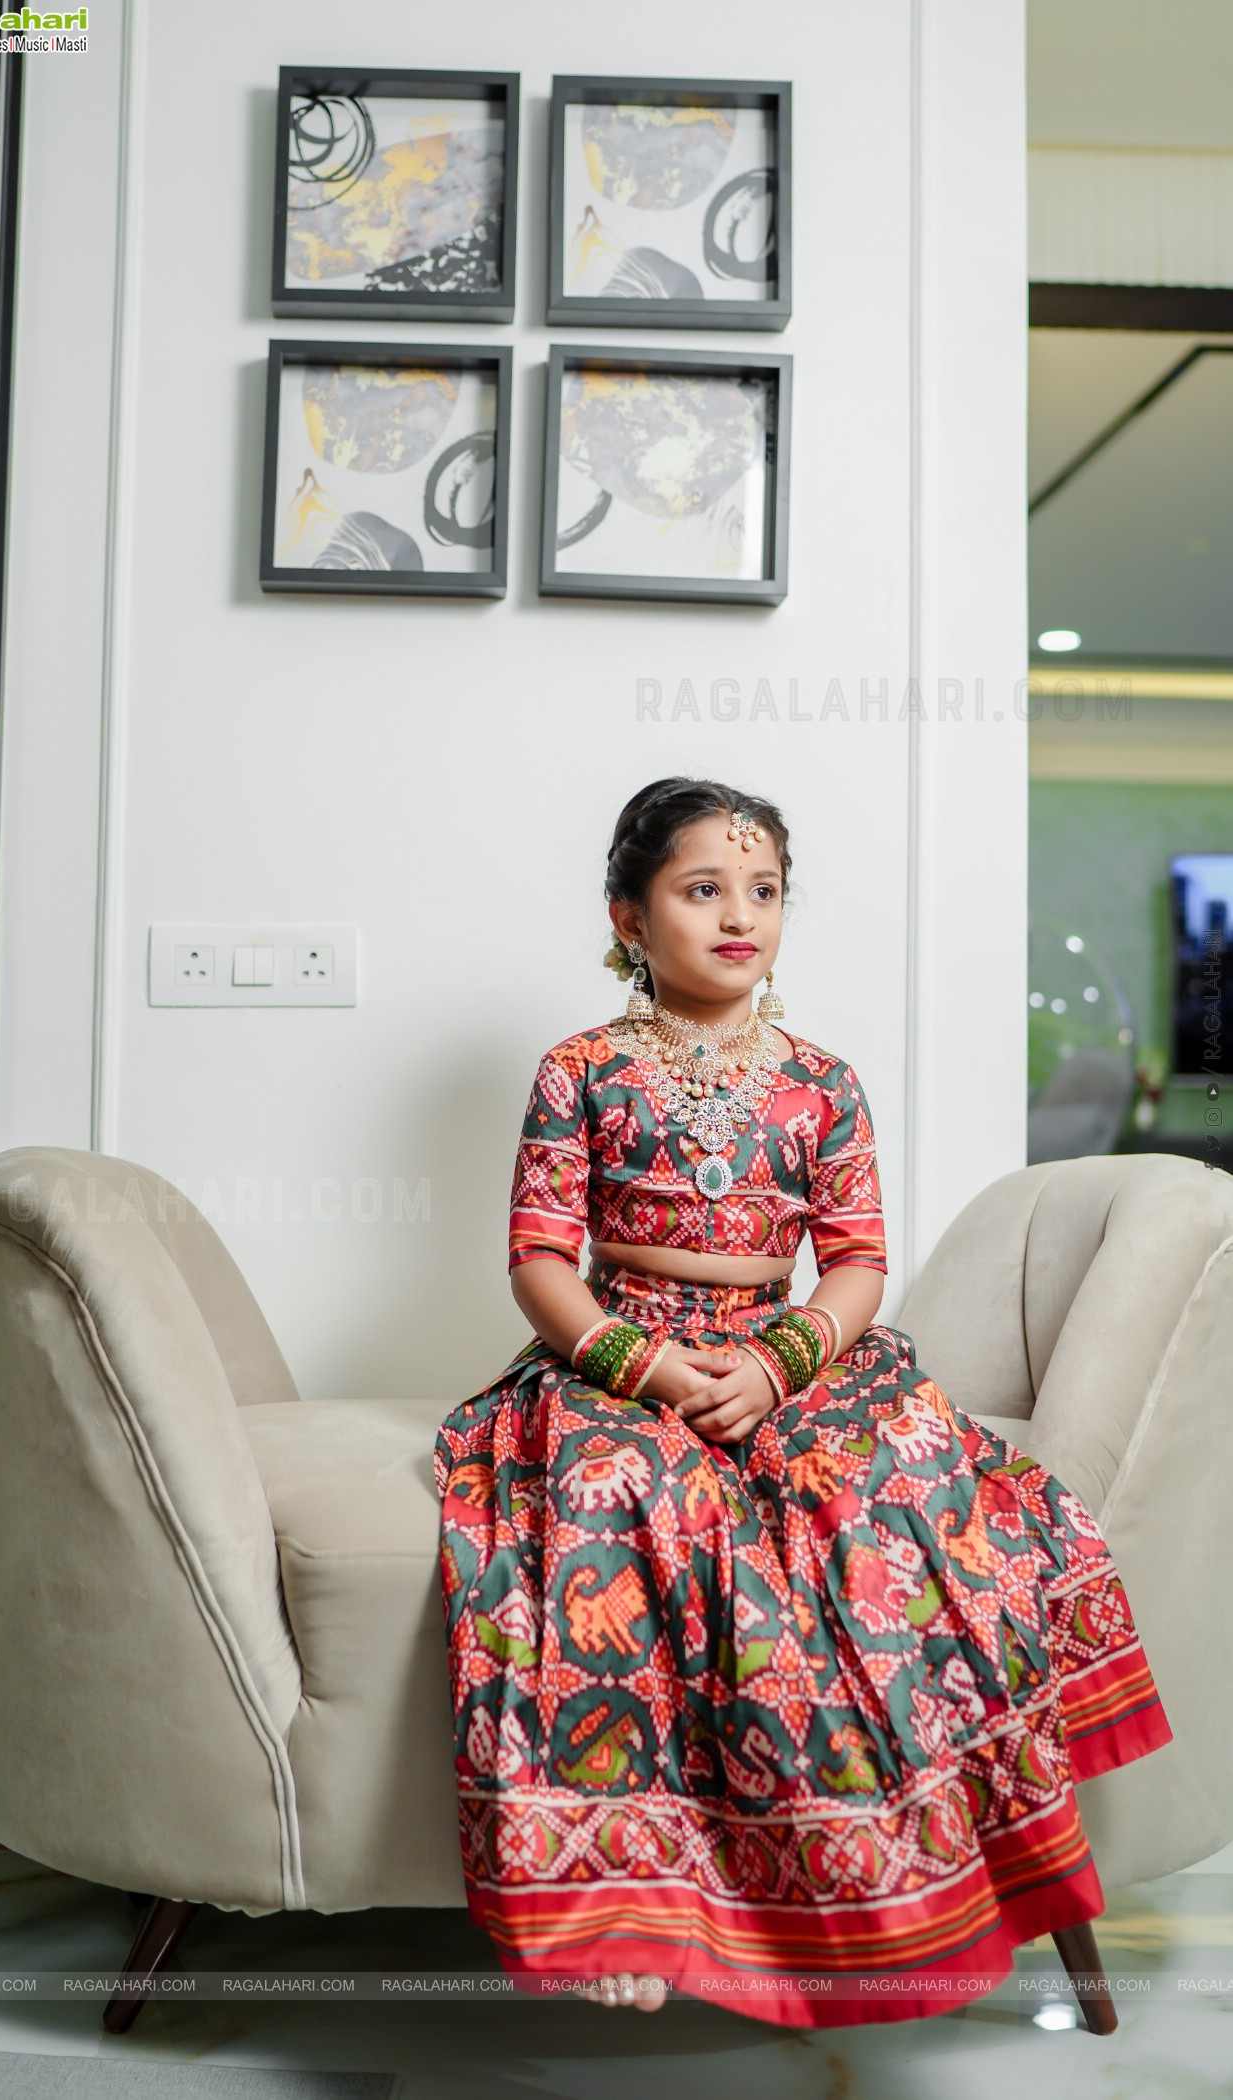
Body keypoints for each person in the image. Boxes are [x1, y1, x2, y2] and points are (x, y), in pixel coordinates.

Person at [432, 776, 1172, 2027]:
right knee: (628, 1491)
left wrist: (778, 1363)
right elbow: (539, 1263)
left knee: (878, 1496)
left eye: (762, 890)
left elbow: (860, 1266)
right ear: (628, 914)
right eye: (701, 888)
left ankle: (900, 1870)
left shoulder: (821, 1082)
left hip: (788, 1348)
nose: (739, 914)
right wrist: (653, 1372)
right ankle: (631, 1899)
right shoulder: (580, 1069)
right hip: (620, 1349)